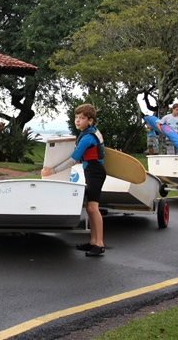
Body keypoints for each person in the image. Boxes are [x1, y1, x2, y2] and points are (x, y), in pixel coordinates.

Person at [41, 104, 107, 256]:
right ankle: (93, 242)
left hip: (95, 172)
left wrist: (53, 170)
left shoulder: (88, 137)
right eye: (76, 117)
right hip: (91, 171)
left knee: (92, 208)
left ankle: (99, 243)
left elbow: (73, 160)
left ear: (90, 121)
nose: (78, 121)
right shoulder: (88, 133)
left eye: (82, 118)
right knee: (90, 208)